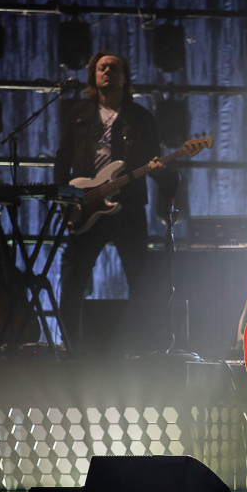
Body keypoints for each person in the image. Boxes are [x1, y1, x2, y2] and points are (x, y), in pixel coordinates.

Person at [55, 50, 175, 351]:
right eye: (100, 67)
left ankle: (145, 350)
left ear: (124, 77)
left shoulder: (140, 117)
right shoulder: (79, 114)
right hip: (85, 204)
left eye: (112, 68)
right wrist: (66, 199)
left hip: (128, 205)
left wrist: (161, 173)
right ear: (93, 75)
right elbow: (62, 157)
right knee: (72, 279)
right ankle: (70, 349)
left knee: (140, 279)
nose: (106, 71)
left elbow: (153, 160)